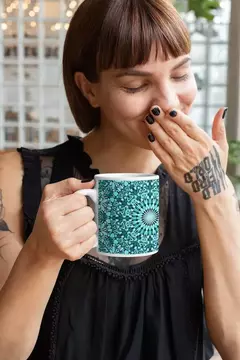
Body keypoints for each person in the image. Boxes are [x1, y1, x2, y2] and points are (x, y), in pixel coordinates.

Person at [0, 0, 239, 359]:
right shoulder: (14, 178)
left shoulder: (209, 183)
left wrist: (213, 195)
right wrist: (41, 254)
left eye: (179, 74)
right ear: (89, 89)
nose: (170, 101)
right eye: (134, 85)